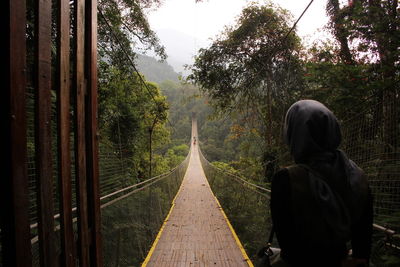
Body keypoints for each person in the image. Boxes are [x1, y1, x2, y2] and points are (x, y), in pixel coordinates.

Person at [270, 100, 373, 267]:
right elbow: (362, 249)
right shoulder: (358, 176)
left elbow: (288, 248)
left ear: (293, 133)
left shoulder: (286, 179)